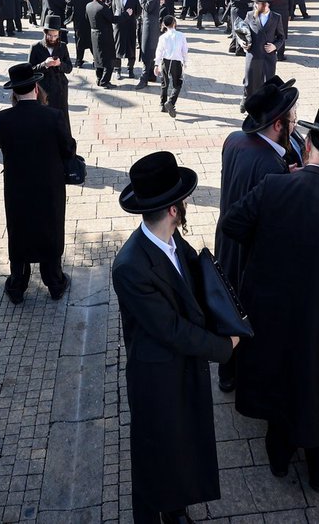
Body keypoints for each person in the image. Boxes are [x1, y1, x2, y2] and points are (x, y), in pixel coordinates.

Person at [221, 106, 319, 493]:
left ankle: (278, 453)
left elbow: (232, 224)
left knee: (279, 377)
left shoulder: (276, 186)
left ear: (307, 145)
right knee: (314, 386)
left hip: (271, 310)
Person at [111, 151, 238, 524]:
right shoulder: (130, 266)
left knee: (182, 442)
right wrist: (223, 348)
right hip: (157, 375)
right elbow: (170, 328)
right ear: (173, 210)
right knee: (159, 447)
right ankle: (157, 512)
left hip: (181, 365)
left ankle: (177, 507)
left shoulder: (172, 240)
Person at [213, 78, 297, 394]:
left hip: (226, 243)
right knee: (245, 314)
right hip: (250, 256)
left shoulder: (233, 139)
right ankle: (239, 374)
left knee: (227, 307)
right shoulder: (273, 166)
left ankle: (225, 373)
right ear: (278, 124)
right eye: (292, 119)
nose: (295, 123)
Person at [0, 63, 78, 304]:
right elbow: (68, 148)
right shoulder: (53, 116)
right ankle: (54, 282)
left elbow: (0, 143)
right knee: (50, 227)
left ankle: (18, 284)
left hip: (17, 186)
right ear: (37, 88)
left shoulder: (0, 119)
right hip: (49, 185)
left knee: (19, 230)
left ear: (14, 93)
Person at [239, 0, 285, 107]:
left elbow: (281, 37)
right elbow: (242, 31)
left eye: (258, 3)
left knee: (268, 82)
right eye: (255, 3)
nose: (255, 5)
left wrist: (275, 46)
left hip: (268, 56)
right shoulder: (250, 15)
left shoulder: (276, 17)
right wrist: (242, 43)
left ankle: (266, 105)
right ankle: (247, 100)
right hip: (254, 54)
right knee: (250, 82)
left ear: (266, 4)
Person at [29, 16, 72, 121]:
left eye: (55, 36)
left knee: (62, 118)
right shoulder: (36, 47)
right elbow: (30, 71)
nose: (52, 39)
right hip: (43, 89)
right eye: (50, 36)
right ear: (45, 33)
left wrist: (59, 64)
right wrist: (45, 64)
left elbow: (69, 68)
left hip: (60, 88)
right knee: (45, 118)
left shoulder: (62, 46)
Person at [154, 14, 188, 118]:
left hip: (165, 61)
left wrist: (156, 64)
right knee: (177, 84)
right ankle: (171, 102)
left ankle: (162, 104)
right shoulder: (181, 35)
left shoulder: (162, 37)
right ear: (174, 23)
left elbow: (159, 51)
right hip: (176, 62)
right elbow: (184, 50)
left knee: (164, 83)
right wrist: (185, 62)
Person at [87, 0, 117, 88]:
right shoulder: (103, 7)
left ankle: (99, 79)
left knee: (98, 57)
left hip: (93, 35)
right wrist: (127, 14)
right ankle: (105, 81)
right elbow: (113, 19)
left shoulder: (88, 6)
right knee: (109, 59)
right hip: (105, 35)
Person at [135, 0, 160, 89]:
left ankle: (144, 78)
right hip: (145, 25)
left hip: (151, 27)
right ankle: (151, 75)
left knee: (147, 51)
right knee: (147, 50)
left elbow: (148, 8)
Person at [112, 0, 139, 80]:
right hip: (118, 28)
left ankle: (130, 69)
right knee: (117, 49)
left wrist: (130, 18)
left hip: (130, 27)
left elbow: (138, 13)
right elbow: (113, 12)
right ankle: (117, 70)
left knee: (131, 49)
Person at [68, 0, 93, 68]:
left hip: (78, 22)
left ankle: (79, 61)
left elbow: (69, 9)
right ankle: (96, 59)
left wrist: (68, 18)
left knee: (79, 41)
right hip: (89, 21)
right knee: (91, 41)